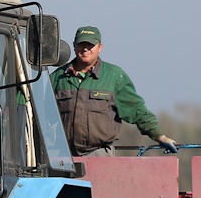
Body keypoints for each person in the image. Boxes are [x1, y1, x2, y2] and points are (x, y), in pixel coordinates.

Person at [51, 25, 177, 157]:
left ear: (100, 47)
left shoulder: (115, 77)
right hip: (64, 157)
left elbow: (136, 110)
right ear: (74, 46)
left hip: (99, 154)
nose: (85, 48)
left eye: (90, 45)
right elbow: (38, 112)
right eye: (81, 44)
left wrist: (160, 137)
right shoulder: (57, 77)